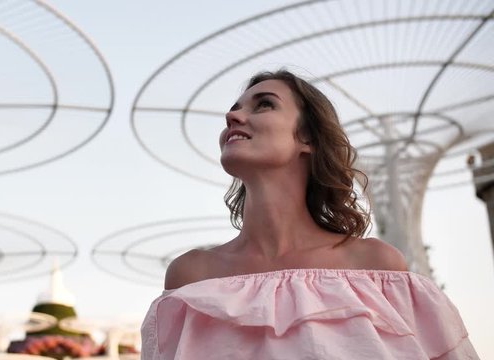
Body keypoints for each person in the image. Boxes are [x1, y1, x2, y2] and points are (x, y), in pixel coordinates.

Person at [140, 70, 479, 359]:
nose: (233, 117)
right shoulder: (191, 277)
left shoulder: (377, 268)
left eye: (264, 104)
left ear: (307, 138)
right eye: (234, 109)